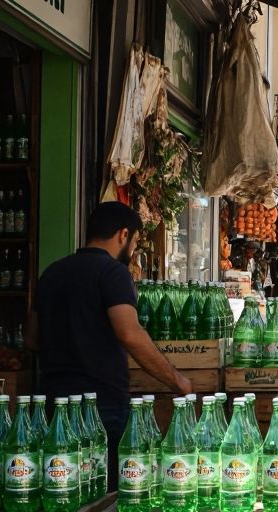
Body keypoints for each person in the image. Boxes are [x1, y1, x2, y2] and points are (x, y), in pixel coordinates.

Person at [27, 201, 193, 488]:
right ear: (123, 235)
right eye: (136, 242)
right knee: (105, 494)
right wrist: (176, 380)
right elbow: (130, 333)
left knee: (61, 490)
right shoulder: (113, 274)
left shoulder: (52, 273)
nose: (133, 250)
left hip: (53, 406)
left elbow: (31, 338)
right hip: (101, 407)